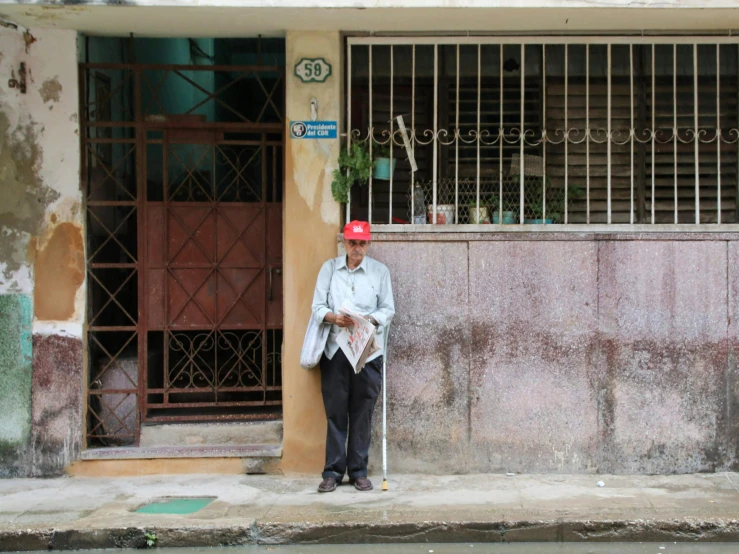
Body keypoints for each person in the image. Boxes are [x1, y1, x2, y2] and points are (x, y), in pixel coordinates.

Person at [311, 220, 395, 493]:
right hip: (335, 349)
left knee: (362, 412)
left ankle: (358, 470)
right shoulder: (329, 269)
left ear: (368, 243)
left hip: (366, 351)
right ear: (343, 243)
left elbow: (388, 310)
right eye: (352, 243)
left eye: (362, 243)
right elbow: (317, 307)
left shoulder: (380, 272)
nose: (357, 248)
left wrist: (366, 319)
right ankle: (332, 472)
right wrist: (334, 317)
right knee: (336, 412)